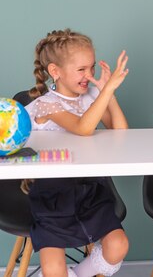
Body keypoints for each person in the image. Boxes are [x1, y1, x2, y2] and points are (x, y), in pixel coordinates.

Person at [23, 29, 130, 277]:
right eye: (81, 69)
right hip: (52, 196)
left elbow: (122, 133)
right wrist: (105, 90)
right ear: (55, 71)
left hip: (90, 191)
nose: (89, 75)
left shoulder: (92, 95)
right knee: (52, 270)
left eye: (92, 68)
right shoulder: (45, 105)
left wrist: (108, 93)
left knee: (118, 245)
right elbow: (83, 128)